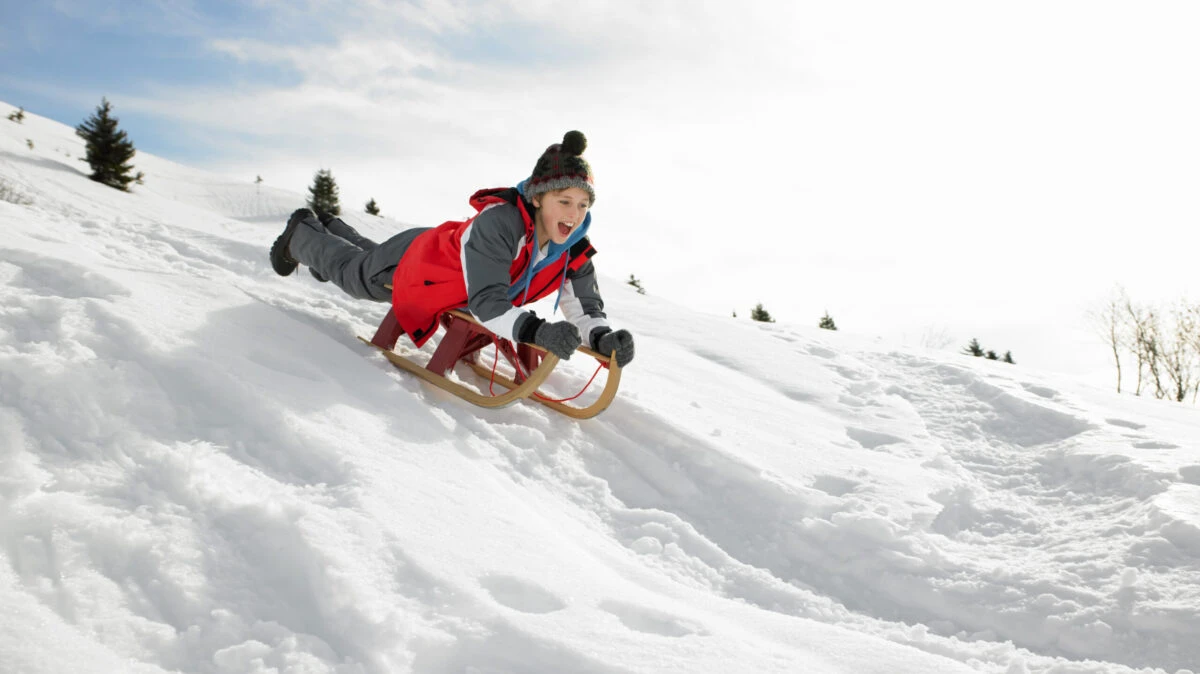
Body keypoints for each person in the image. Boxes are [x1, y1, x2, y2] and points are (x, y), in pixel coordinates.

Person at [269, 130, 635, 368]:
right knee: (356, 276)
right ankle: (301, 234)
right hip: (421, 263)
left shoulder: (573, 248)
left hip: (449, 267)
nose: (574, 215)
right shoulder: (501, 224)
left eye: (583, 205)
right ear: (538, 198)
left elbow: (585, 305)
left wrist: (603, 338)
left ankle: (332, 228)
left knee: (365, 261)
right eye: (565, 200)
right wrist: (537, 332)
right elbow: (488, 304)